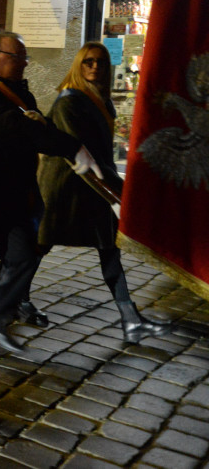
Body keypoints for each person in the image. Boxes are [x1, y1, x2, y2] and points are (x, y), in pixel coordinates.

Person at [0, 31, 100, 353]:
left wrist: (40, 127)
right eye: (16, 57)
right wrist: (69, 146)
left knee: (24, 257)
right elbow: (14, 127)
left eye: (24, 58)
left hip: (15, 199)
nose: (23, 63)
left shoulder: (22, 95)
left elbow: (34, 131)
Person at [37, 42, 170, 343]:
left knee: (110, 249)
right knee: (37, 249)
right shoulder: (69, 101)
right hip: (67, 187)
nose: (94, 67)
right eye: (88, 62)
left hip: (93, 186)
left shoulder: (101, 100)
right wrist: (115, 193)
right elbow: (79, 153)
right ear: (79, 66)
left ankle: (130, 318)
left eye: (100, 62)